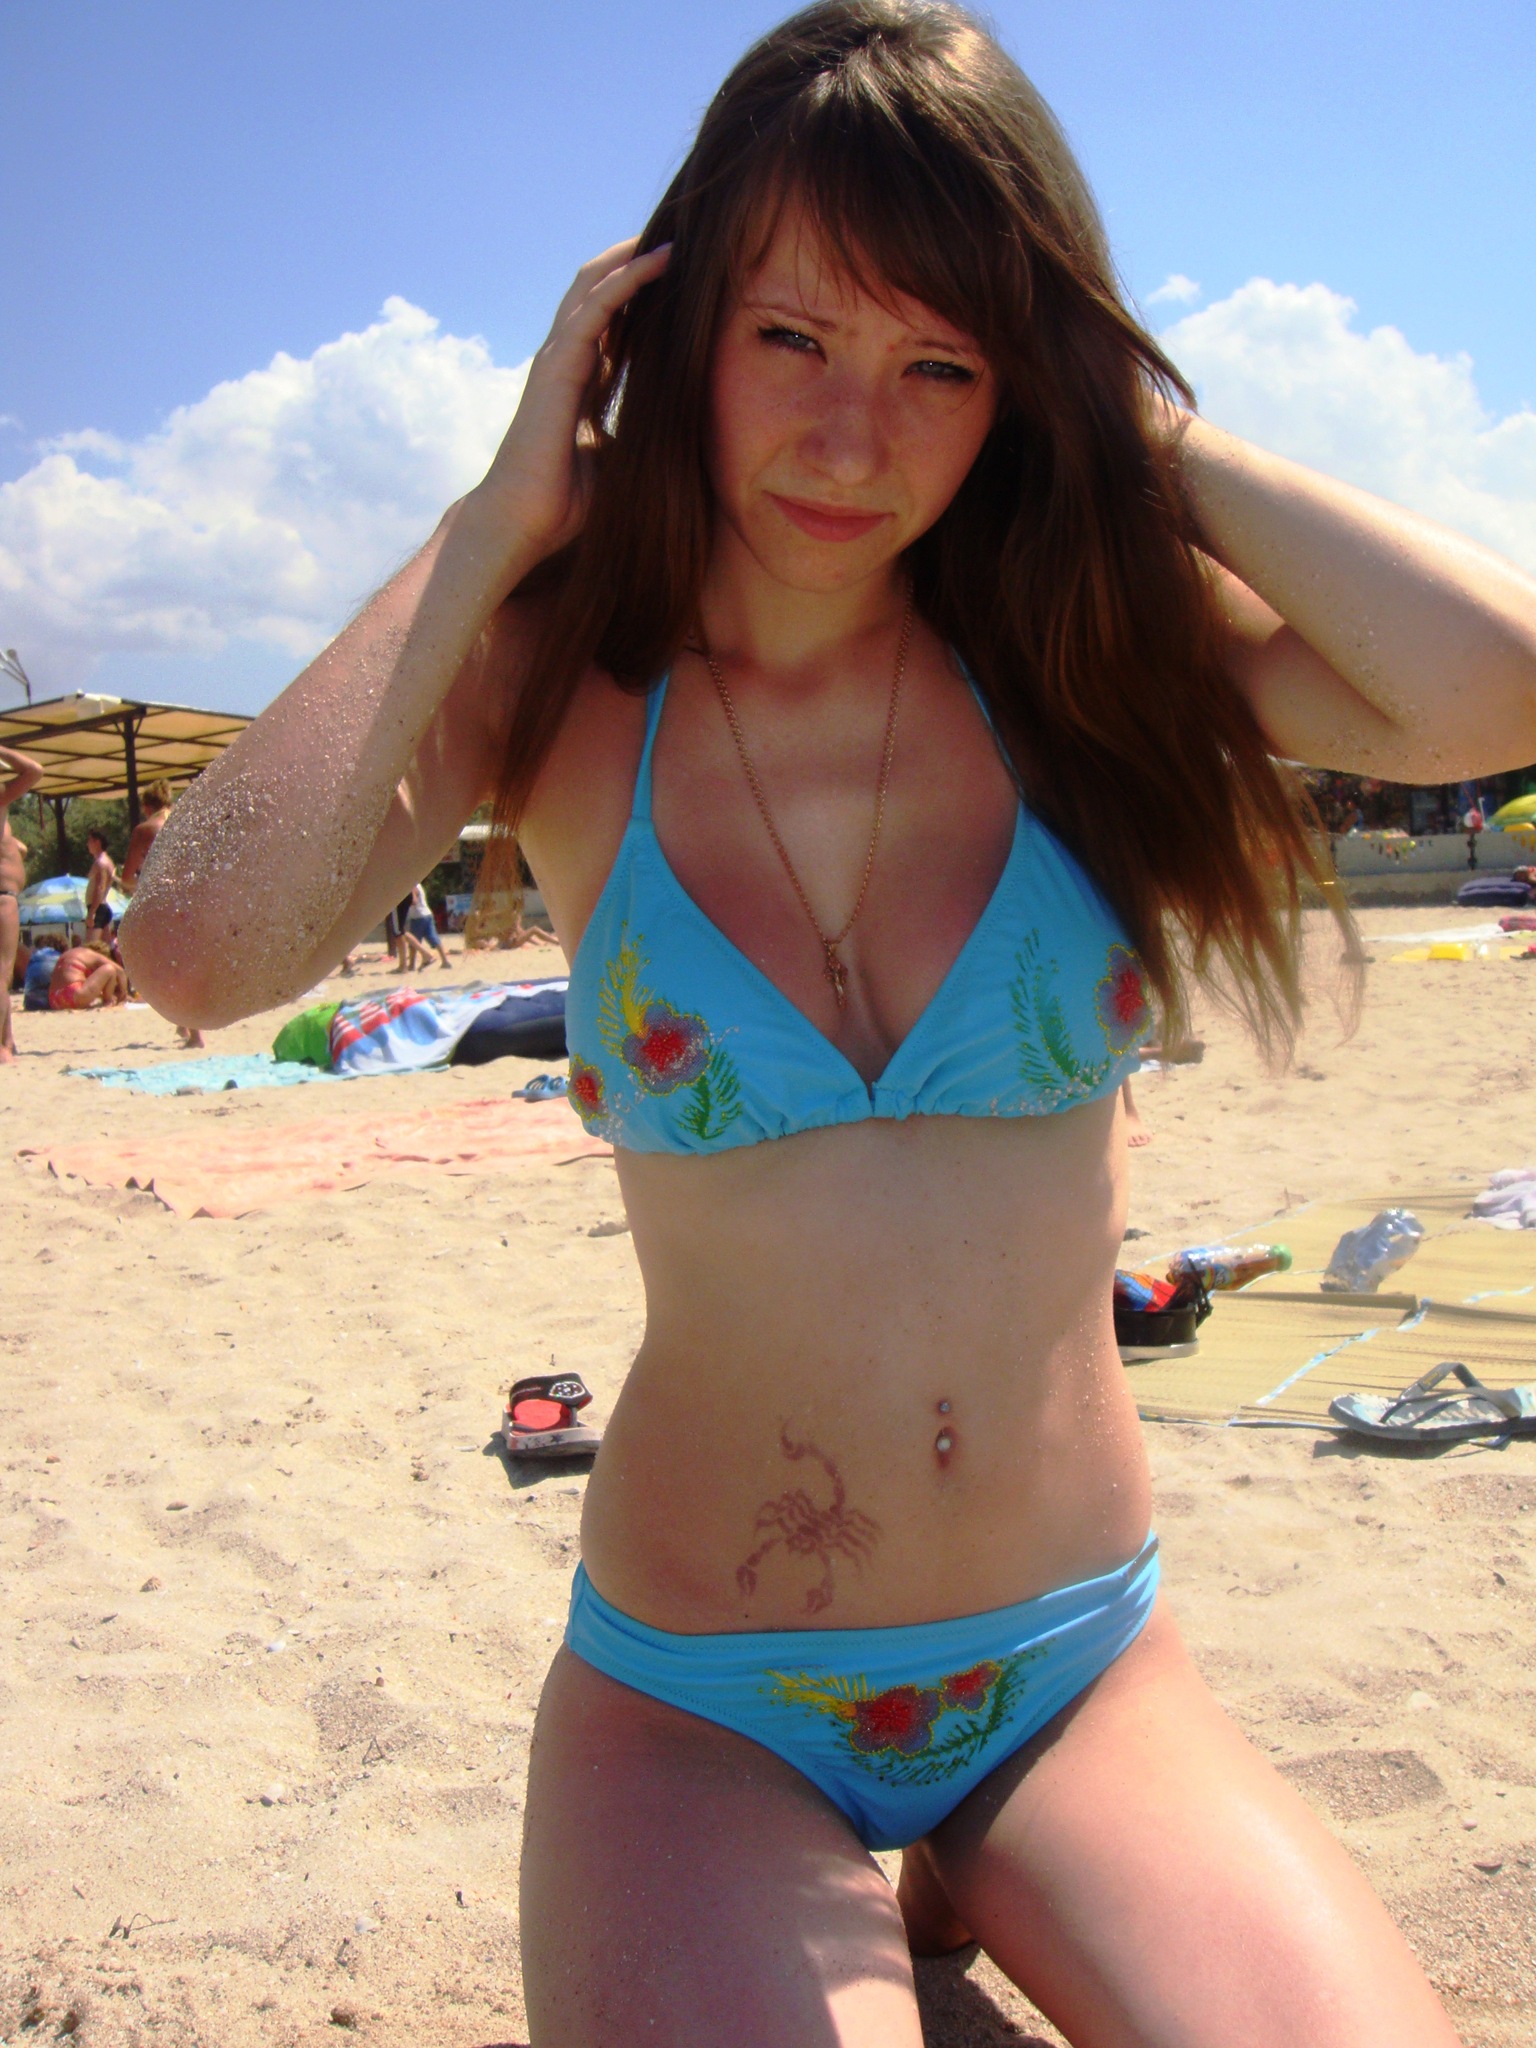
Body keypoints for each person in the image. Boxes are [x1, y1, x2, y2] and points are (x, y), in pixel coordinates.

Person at [123, 7, 1536, 2040]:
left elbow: (1493, 689)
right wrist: (493, 517)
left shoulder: (1074, 656)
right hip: (703, 1710)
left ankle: (982, 1851)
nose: (852, 441)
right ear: (667, 331)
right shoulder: (555, 686)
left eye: (939, 365)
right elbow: (196, 948)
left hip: (1076, 1673)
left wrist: (1123, 420)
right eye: (791, 337)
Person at [0, 742, 44, 1060]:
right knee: (2, 974)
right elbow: (33, 771)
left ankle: (8, 1039)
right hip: (2, 899)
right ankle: (2, 1048)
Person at [119, 781, 174, 894]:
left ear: (146, 807)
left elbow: (127, 879)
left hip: (159, 896)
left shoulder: (144, 830)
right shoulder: (185, 824)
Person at [49, 939, 129, 1010]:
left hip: (54, 1000)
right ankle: (108, 1001)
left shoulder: (71, 953)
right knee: (109, 969)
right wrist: (123, 993)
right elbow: (120, 971)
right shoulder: (92, 955)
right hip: (74, 995)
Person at [406, 879, 451, 968]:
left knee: (414, 942)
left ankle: (411, 964)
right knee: (433, 937)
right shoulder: (418, 885)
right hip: (427, 914)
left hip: (418, 916)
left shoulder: (412, 886)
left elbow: (414, 901)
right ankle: (445, 961)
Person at [84, 828, 117, 932]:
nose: (87, 844)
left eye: (89, 841)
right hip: (100, 907)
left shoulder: (101, 863)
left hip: (97, 908)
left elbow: (100, 887)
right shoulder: (106, 861)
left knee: (92, 942)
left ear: (97, 842)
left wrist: (92, 912)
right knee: (103, 943)